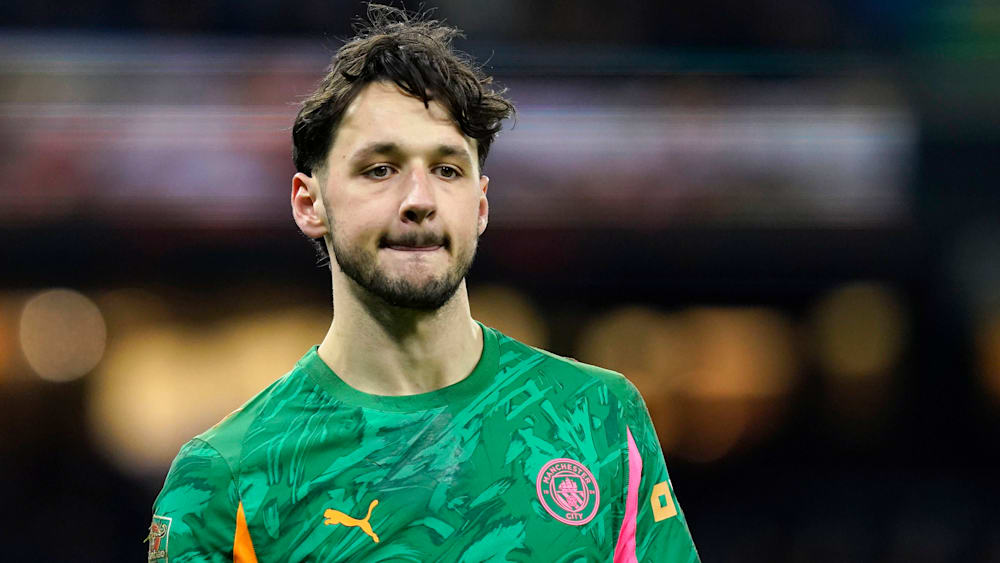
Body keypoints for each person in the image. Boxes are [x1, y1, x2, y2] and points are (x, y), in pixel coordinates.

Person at [149, 5, 700, 562]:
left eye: (447, 170)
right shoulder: (222, 481)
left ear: (480, 205)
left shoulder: (599, 415)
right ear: (309, 204)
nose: (419, 200)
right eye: (380, 169)